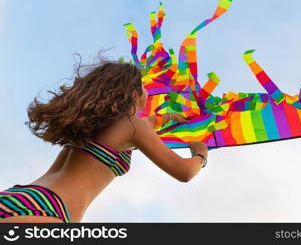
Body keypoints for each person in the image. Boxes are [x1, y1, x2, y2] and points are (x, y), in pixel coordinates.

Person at [0, 53, 208, 223]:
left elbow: (149, 123)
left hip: (18, 197)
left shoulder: (96, 123)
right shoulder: (132, 125)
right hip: (49, 210)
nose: (147, 92)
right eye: (143, 86)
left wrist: (170, 117)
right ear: (133, 92)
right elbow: (184, 171)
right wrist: (200, 154)